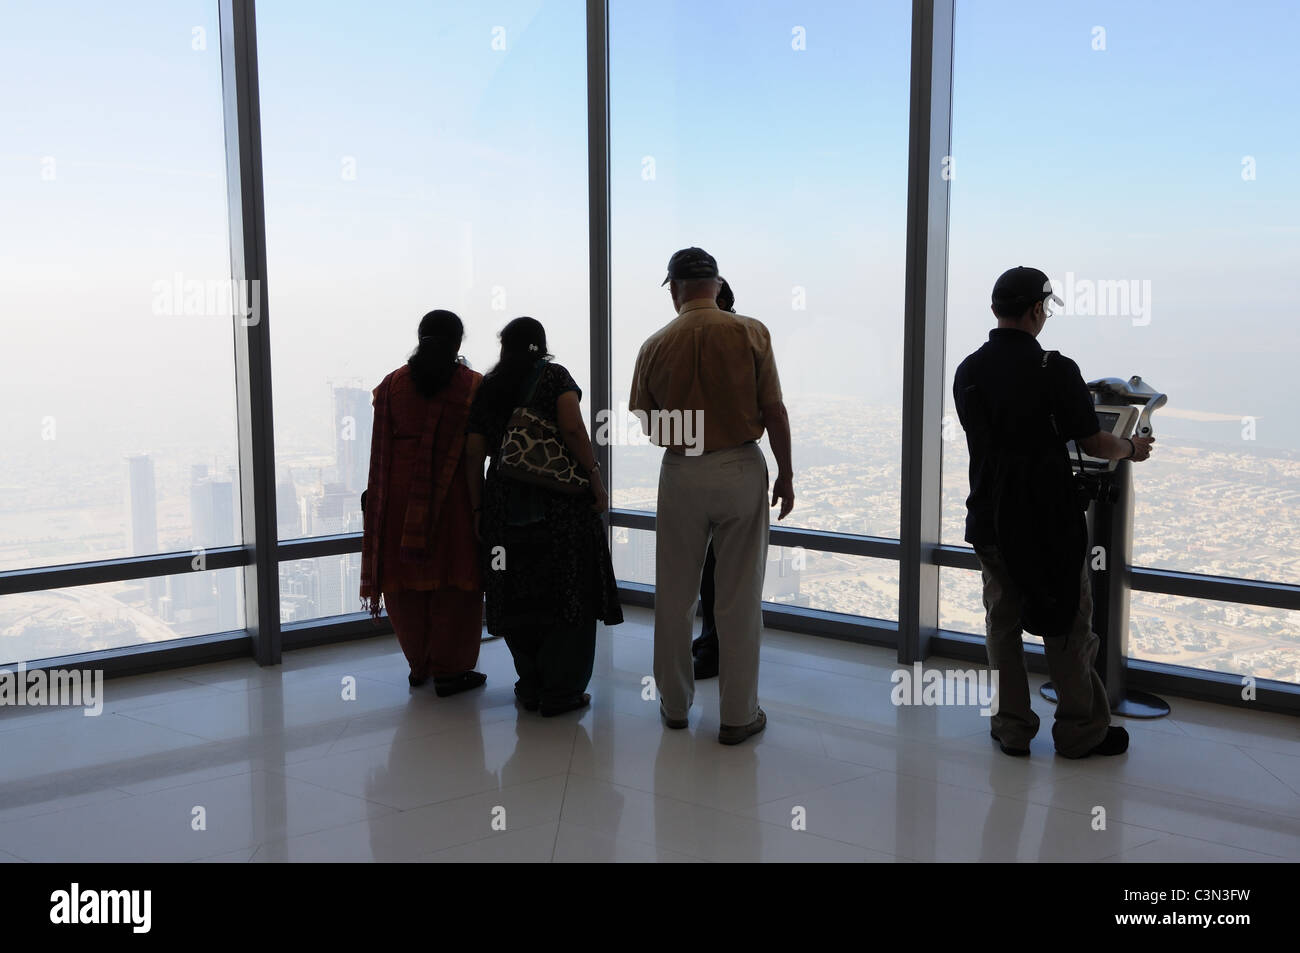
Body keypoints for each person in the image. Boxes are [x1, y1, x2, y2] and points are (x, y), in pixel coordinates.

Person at [953, 266, 1154, 759]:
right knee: (1067, 621)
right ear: (1038, 309)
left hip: (991, 515)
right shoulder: (1055, 369)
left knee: (1002, 623)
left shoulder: (969, 371)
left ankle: (1012, 727)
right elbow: (1092, 440)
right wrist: (1131, 447)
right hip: (1048, 520)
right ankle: (1081, 730)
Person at [631, 248, 794, 744]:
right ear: (718, 284)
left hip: (682, 471)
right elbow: (774, 410)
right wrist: (786, 473)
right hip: (742, 467)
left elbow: (643, 419)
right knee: (740, 599)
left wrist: (683, 429)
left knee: (676, 595)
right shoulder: (751, 332)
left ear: (674, 288)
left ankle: (676, 707)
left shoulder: (655, 344)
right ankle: (738, 716)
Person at [465, 317, 623, 717]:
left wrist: (479, 508)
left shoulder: (489, 387)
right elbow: (571, 427)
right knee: (567, 592)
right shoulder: (554, 376)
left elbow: (473, 452)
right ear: (542, 345)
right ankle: (562, 690)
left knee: (516, 589)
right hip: (560, 508)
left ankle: (531, 683)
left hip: (504, 509)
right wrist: (594, 476)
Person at [360, 309, 486, 697]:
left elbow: (380, 447)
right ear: (458, 343)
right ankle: (452, 671)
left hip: (398, 502)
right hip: (454, 498)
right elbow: (474, 451)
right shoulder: (473, 386)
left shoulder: (390, 386)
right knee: (457, 582)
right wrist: (481, 508)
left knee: (405, 584)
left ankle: (420, 666)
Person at [690, 277, 736, 680]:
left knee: (713, 574)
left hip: (697, 466)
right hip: (736, 468)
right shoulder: (747, 337)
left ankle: (713, 647)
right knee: (725, 571)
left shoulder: (697, 343)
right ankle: (715, 642)